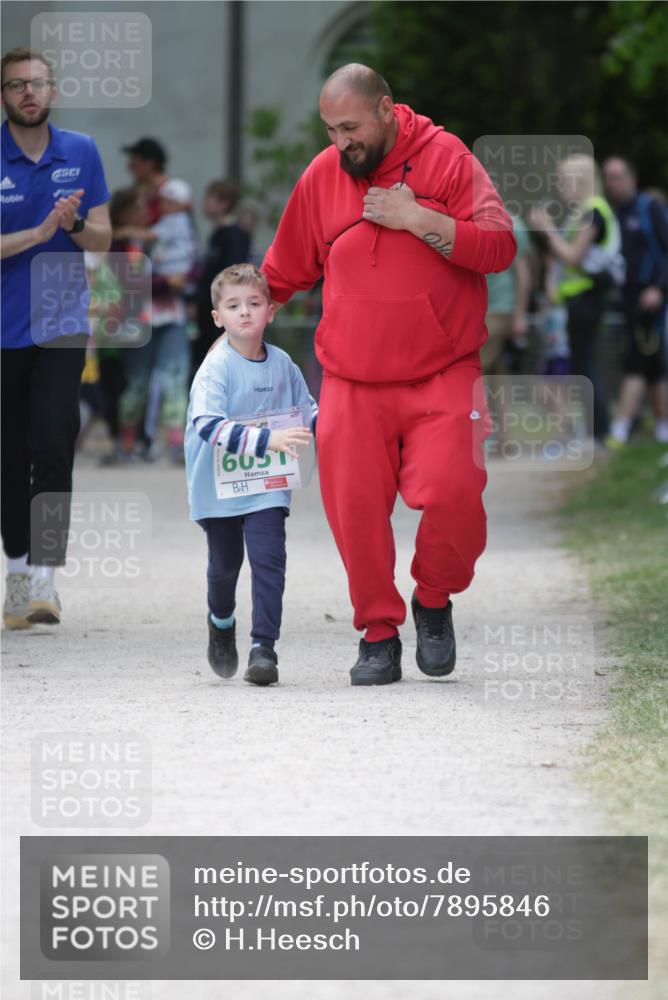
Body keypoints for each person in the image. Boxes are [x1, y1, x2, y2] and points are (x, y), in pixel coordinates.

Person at [261, 63, 516, 685]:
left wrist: (419, 219)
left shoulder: (448, 159)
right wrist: (238, 321)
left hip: (443, 368)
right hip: (351, 375)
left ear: (386, 110)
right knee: (353, 509)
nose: (339, 142)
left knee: (458, 493)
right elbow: (283, 271)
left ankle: (434, 598)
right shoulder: (324, 175)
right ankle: (378, 632)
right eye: (329, 129)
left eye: (349, 127)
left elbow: (500, 246)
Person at [1, 47, 111, 628]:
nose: (28, 93)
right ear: (4, 95)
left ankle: (44, 577)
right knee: (9, 455)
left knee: (51, 443)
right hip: (2, 329)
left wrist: (71, 225)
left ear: (53, 90)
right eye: (16, 85)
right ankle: (15, 571)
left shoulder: (82, 151)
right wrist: (37, 232)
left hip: (60, 323)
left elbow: (103, 240)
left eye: (37, 83)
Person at [184, 263, 316, 686]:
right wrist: (267, 441)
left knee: (269, 559)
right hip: (217, 489)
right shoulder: (215, 368)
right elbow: (207, 424)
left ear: (271, 312)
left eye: (255, 304)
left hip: (267, 486)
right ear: (217, 317)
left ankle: (264, 649)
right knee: (224, 566)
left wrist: (340, 421)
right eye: (234, 305)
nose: (245, 312)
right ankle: (221, 623)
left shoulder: (283, 365)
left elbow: (309, 410)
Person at [531, 154, 624, 447]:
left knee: (586, 366)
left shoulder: (592, 211)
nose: (561, 185)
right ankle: (597, 434)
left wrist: (546, 229)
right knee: (584, 365)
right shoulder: (584, 212)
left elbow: (573, 256)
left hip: (587, 299)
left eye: (564, 178)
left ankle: (599, 435)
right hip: (580, 299)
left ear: (581, 180)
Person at [602, 157, 668, 446]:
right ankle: (662, 425)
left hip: (650, 297)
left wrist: (658, 287)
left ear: (632, 177)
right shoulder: (613, 213)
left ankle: (621, 426)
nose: (613, 183)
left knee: (638, 359)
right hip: (626, 298)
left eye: (618, 176)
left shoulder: (649, 207)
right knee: (652, 364)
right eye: (608, 177)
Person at [192, 179, 251, 372]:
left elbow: (232, 275)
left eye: (210, 198)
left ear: (224, 203)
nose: (204, 203)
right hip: (208, 313)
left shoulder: (234, 235)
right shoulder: (217, 234)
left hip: (221, 314)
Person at [121, 136, 168, 224]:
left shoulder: (171, 192)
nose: (129, 168)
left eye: (133, 164)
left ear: (150, 164)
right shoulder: (136, 191)